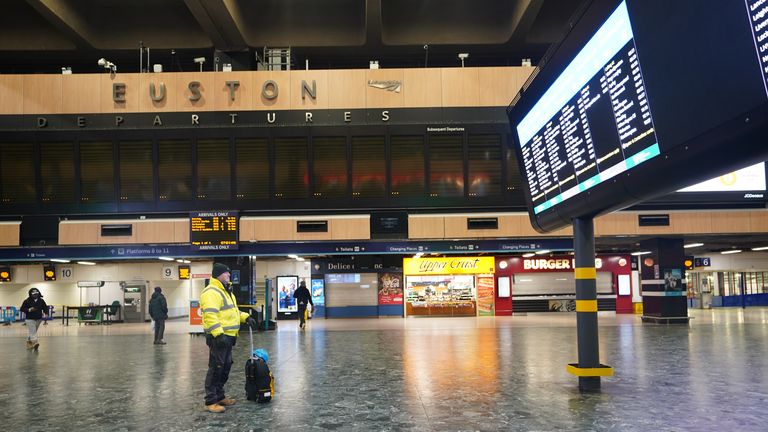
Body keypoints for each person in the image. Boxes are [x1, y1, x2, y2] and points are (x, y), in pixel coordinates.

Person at [201, 263, 257, 413]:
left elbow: (233, 312)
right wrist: (218, 334)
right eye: (227, 273)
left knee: (225, 368)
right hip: (219, 338)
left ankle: (220, 396)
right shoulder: (211, 292)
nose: (229, 276)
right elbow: (210, 315)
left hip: (229, 337)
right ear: (219, 274)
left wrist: (245, 317)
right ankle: (210, 401)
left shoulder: (226, 291)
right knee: (216, 368)